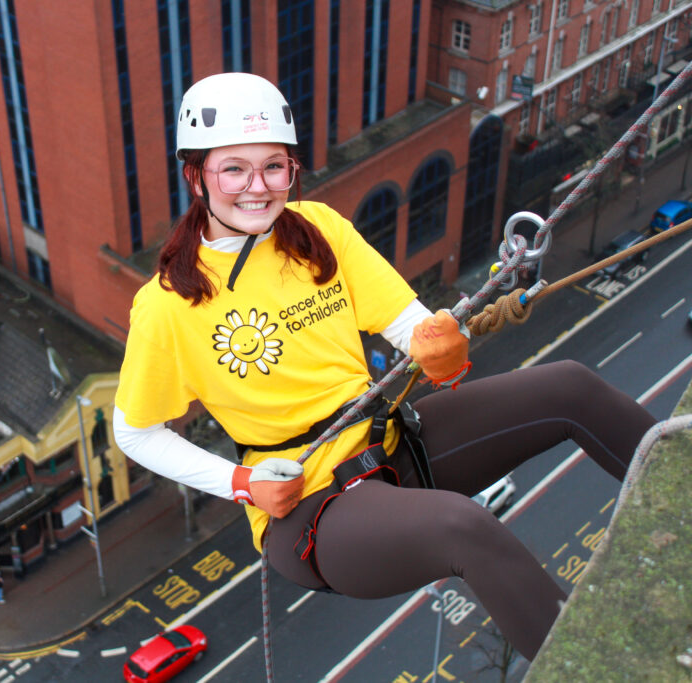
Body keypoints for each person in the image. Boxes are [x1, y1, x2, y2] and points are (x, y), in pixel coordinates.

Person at [112, 72, 656, 661]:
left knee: (569, 386)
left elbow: (406, 321)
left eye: (275, 166)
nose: (258, 187)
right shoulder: (169, 305)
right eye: (234, 169)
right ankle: (593, 667)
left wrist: (438, 343)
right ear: (196, 176)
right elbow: (135, 431)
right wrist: (241, 484)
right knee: (461, 526)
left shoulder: (317, 230)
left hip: (395, 442)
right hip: (310, 505)